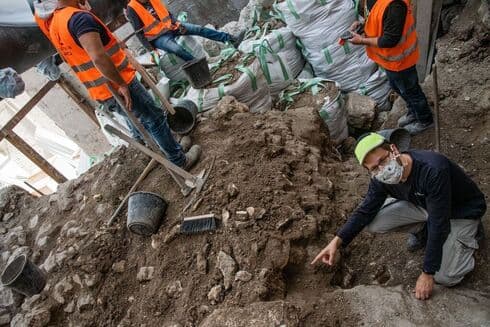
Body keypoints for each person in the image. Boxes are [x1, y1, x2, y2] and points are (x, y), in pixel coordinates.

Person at [312, 132, 486, 300]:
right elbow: (365, 210)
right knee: (374, 222)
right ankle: (422, 230)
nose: (382, 169)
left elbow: (439, 224)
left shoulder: (432, 169)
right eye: (374, 168)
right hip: (426, 206)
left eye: (383, 160)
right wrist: (337, 241)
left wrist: (427, 272)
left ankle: (470, 235)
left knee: (447, 277)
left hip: (460, 211)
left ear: (394, 150)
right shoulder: (380, 179)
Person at [35, 0, 200, 169]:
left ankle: (169, 150)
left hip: (101, 90)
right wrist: (121, 84)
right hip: (118, 84)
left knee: (142, 120)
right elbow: (98, 57)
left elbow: (85, 47)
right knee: (154, 118)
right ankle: (179, 160)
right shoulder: (79, 19)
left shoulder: (56, 22)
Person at [349, 0, 434, 135]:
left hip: (401, 60)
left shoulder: (395, 5)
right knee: (398, 88)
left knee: (411, 91)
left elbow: (389, 40)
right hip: (389, 60)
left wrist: (362, 41)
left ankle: (425, 120)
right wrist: (363, 25)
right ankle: (413, 112)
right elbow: (378, 19)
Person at [126, 0, 245, 61]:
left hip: (172, 27)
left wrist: (177, 23)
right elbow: (139, 33)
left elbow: (167, 14)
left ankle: (230, 39)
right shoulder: (132, 8)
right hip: (158, 38)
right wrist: (151, 50)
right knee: (177, 49)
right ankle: (200, 66)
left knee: (199, 29)